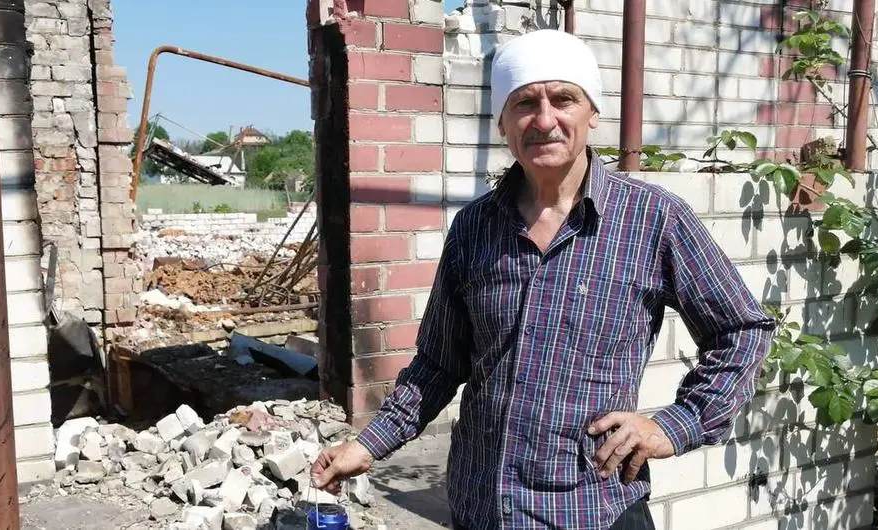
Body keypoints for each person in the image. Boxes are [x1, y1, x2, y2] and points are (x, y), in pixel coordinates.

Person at [309, 29, 776, 529]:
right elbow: (438, 365)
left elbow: (742, 331)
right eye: (525, 102)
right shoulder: (474, 229)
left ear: (592, 112)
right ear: (503, 123)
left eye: (564, 99)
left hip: (592, 508)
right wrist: (367, 444)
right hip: (483, 507)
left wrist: (676, 424)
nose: (545, 119)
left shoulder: (653, 219)